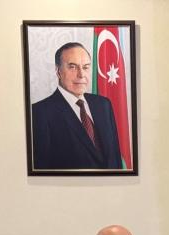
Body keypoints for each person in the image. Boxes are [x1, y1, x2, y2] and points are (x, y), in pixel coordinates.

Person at [31, 42, 122, 170]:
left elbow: (115, 158)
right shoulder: (39, 113)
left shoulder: (103, 105)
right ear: (58, 71)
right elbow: (42, 172)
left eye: (85, 67)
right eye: (73, 67)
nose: (81, 75)